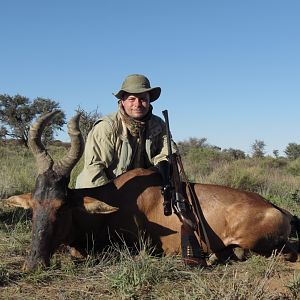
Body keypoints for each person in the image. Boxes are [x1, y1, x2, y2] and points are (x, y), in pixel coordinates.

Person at [76, 74, 173, 214]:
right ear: (122, 101)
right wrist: (112, 204)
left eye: (143, 99)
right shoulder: (107, 127)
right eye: (132, 99)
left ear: (149, 100)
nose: (137, 104)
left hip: (143, 193)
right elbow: (94, 170)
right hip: (109, 193)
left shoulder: (159, 124)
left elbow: (167, 154)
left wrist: (163, 165)